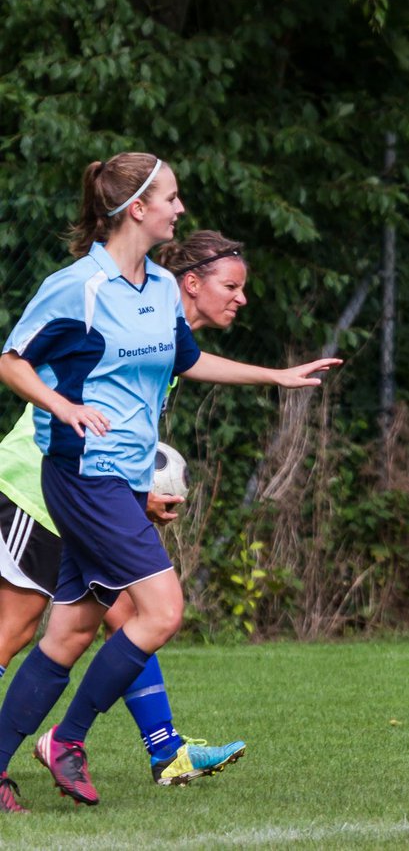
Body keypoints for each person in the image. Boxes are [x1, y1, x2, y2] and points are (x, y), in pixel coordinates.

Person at [0, 152, 340, 812]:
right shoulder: (80, 286)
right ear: (135, 209)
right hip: (61, 477)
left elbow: (190, 360)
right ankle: (72, 741)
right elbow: (12, 361)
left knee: (69, 632)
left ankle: (83, 748)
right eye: (171, 198)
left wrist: (278, 376)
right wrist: (62, 407)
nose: (181, 209)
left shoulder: (157, 289)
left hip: (114, 486)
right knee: (155, 611)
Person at [0, 229, 261, 811]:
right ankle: (140, 747)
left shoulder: (160, 340)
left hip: (91, 489)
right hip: (37, 483)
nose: (241, 298)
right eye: (231, 286)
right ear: (190, 284)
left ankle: (162, 749)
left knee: (115, 619)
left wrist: (128, 493)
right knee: (18, 632)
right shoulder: (130, 314)